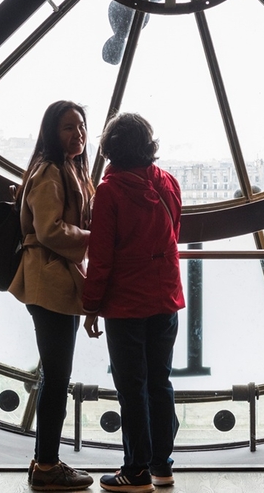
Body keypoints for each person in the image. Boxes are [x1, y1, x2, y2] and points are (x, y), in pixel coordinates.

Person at [83, 112, 184, 493]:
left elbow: (102, 256)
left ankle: (135, 469)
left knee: (132, 388)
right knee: (160, 383)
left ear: (110, 147)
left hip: (126, 302)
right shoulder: (167, 183)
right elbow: (173, 232)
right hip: (166, 296)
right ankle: (161, 464)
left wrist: (91, 306)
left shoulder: (109, 192)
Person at [8, 100, 96, 491]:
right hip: (53, 281)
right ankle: (46, 464)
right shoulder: (57, 172)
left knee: (54, 375)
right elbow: (50, 231)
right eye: (69, 127)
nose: (77, 133)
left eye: (80, 126)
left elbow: (46, 229)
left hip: (47, 281)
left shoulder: (51, 171)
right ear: (52, 133)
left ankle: (45, 461)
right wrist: (96, 240)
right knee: (57, 376)